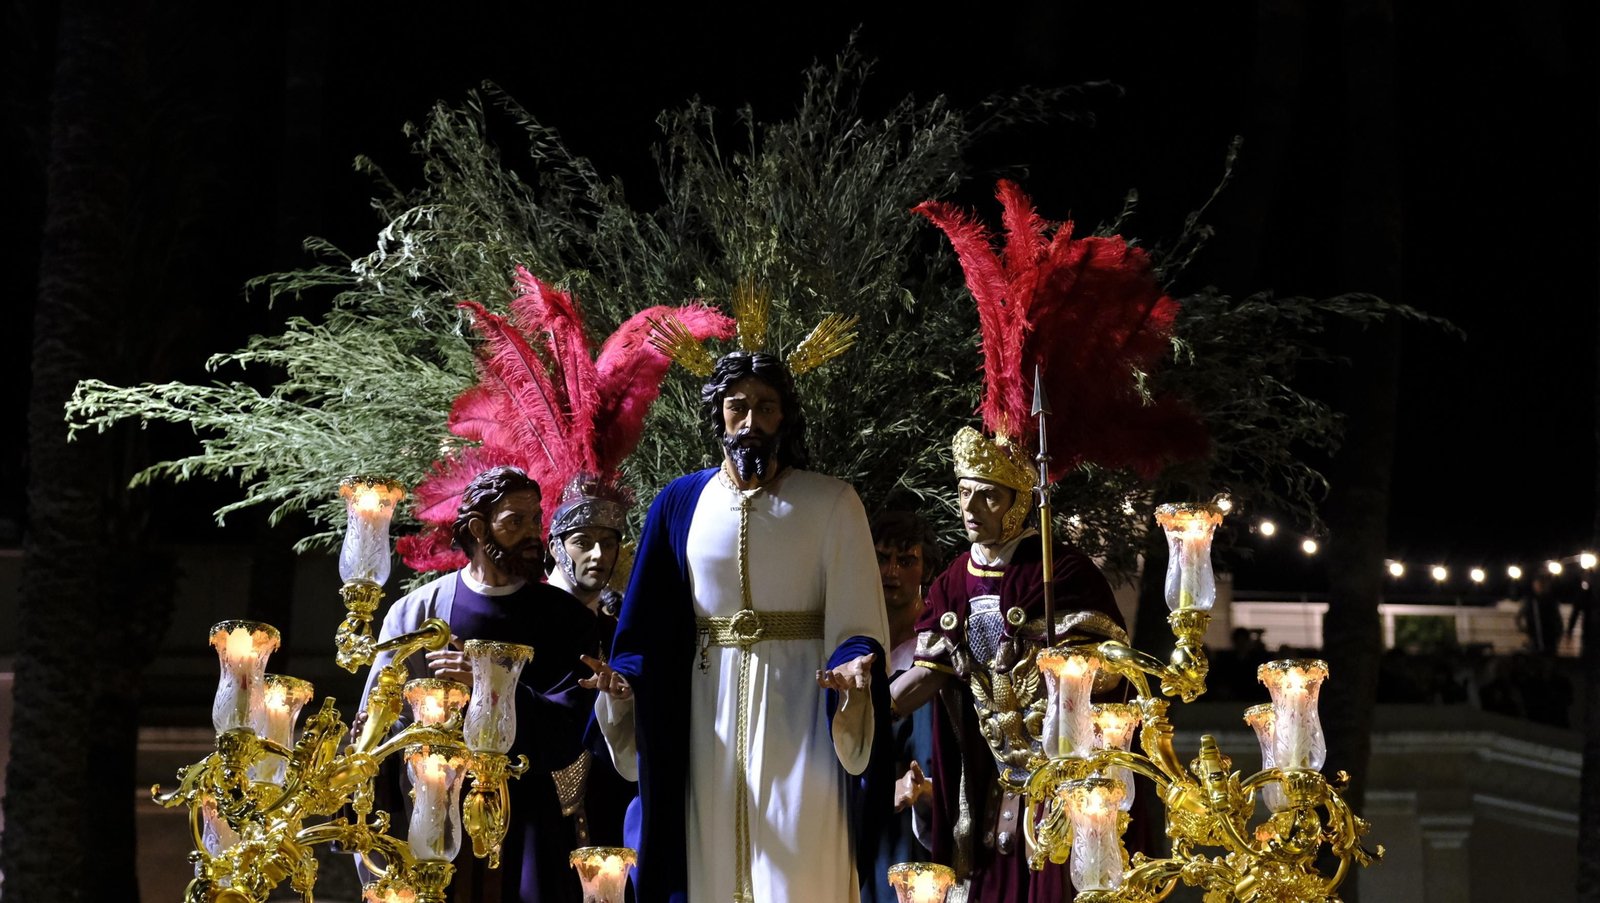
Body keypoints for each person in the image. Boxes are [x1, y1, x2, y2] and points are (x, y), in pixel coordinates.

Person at [590, 350, 892, 903]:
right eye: (737, 407)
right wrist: (627, 683)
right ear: (719, 415)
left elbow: (856, 622)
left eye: (766, 407)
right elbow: (646, 627)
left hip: (801, 709)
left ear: (785, 417)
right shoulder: (679, 504)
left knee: (800, 859)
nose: (750, 420)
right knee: (710, 862)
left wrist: (852, 671)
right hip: (707, 717)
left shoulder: (831, 502)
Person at [890, 431, 1128, 903]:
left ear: (1019, 503)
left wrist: (1070, 672)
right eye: (964, 492)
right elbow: (928, 674)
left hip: (1060, 771)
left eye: (989, 496)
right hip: (988, 773)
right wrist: (861, 708)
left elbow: (1114, 672)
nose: (971, 507)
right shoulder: (953, 579)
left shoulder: (1062, 574)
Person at [355, 465, 599, 903]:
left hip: (531, 825)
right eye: (515, 522)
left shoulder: (567, 619)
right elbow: (378, 736)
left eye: (535, 520)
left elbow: (573, 730)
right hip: (433, 820)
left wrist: (492, 687)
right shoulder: (416, 614)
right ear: (478, 528)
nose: (531, 534)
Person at [543, 473, 638, 852]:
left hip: (605, 808)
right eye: (583, 542)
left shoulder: (622, 632)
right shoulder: (526, 616)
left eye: (608, 543)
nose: (598, 555)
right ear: (555, 546)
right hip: (532, 800)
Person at [863, 509, 941, 903]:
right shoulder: (851, 641)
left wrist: (919, 790)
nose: (891, 571)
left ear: (925, 568)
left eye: (906, 560)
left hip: (906, 829)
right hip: (853, 811)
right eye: (882, 557)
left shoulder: (934, 652)